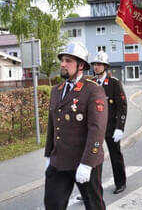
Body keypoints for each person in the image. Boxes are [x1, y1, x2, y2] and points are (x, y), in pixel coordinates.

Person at [44, 42, 108, 210]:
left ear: (80, 65)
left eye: (68, 60)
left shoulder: (93, 90)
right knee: (53, 204)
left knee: (94, 205)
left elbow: (97, 129)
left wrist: (87, 163)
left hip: (84, 161)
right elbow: (53, 124)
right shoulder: (56, 90)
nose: (63, 64)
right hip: (59, 160)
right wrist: (48, 154)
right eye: (62, 60)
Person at [91, 51, 128, 194]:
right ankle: (92, 187)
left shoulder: (114, 84)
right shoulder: (91, 84)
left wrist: (120, 127)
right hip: (95, 128)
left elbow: (122, 107)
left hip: (111, 127)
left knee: (115, 155)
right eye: (95, 64)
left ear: (105, 66)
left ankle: (120, 183)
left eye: (99, 64)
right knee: (92, 156)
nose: (96, 67)